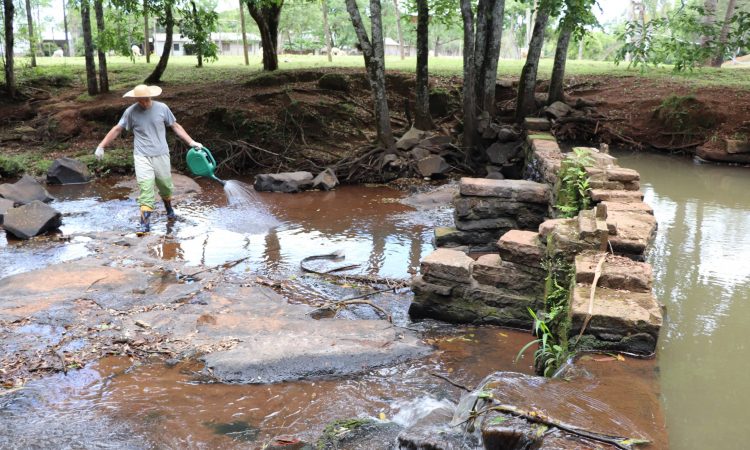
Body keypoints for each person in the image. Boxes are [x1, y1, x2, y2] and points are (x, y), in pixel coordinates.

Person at [95, 84, 202, 234]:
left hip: (161, 154)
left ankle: (169, 209)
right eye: (140, 100)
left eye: (146, 99)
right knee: (146, 189)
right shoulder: (130, 112)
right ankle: (145, 226)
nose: (144, 103)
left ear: (150, 96)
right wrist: (101, 146)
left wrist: (191, 142)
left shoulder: (162, 108)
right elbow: (117, 128)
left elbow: (175, 126)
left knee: (165, 186)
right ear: (136, 99)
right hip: (142, 156)